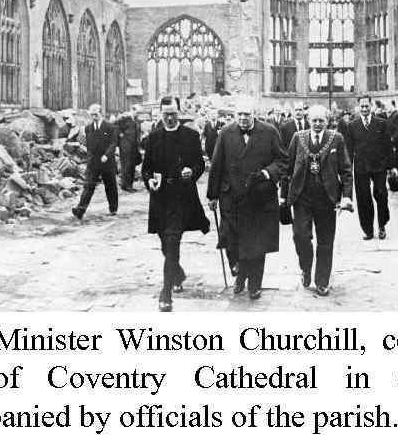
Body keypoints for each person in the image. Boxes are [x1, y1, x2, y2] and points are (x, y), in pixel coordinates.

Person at [207, 97, 288, 299]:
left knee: (257, 242)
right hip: (231, 197)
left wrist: (267, 173)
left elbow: (283, 161)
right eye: (239, 115)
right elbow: (217, 164)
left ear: (255, 114)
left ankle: (254, 283)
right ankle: (240, 273)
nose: (243, 118)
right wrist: (213, 194)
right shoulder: (226, 133)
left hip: (259, 196)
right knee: (233, 240)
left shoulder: (269, 132)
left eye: (247, 114)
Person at [141, 96, 210, 312]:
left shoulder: (191, 136)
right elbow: (146, 168)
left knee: (172, 242)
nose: (169, 118)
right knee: (165, 243)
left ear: (179, 113)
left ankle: (166, 293)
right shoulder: (153, 138)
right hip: (161, 198)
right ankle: (177, 273)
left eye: (173, 114)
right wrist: (149, 180)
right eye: (165, 114)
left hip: (182, 197)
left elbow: (199, 163)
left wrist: (192, 171)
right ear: (160, 114)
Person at [283, 105, 353, 296]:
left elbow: (346, 170)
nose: (317, 124)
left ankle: (322, 280)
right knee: (301, 236)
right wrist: (283, 196)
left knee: (325, 241)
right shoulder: (299, 138)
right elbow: (287, 168)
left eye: (321, 120)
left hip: (327, 198)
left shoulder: (336, 139)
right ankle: (306, 267)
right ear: (308, 120)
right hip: (302, 196)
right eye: (314, 120)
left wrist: (346, 196)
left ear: (327, 121)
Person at [347, 95, 398, 240]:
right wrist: (347, 168)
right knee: (363, 198)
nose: (364, 109)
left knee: (381, 195)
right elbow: (349, 149)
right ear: (358, 108)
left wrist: (392, 166)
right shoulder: (352, 126)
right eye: (361, 106)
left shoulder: (381, 124)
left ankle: (382, 225)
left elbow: (388, 146)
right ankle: (368, 230)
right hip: (361, 167)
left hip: (379, 166)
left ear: (371, 106)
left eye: (366, 106)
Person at [72, 104, 119, 220]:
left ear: (101, 113)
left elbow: (113, 143)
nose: (94, 117)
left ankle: (113, 208)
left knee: (110, 186)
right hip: (93, 162)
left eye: (96, 114)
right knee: (88, 186)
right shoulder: (88, 128)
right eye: (92, 115)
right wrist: (89, 158)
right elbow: (88, 145)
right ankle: (80, 210)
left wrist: (107, 155)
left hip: (107, 162)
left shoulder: (110, 127)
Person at [117, 105, 142, 192]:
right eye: (137, 112)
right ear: (132, 110)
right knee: (126, 165)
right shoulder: (125, 118)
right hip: (125, 146)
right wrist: (121, 135)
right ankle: (126, 185)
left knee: (132, 165)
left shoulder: (136, 120)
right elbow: (115, 126)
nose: (138, 114)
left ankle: (129, 184)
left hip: (134, 146)